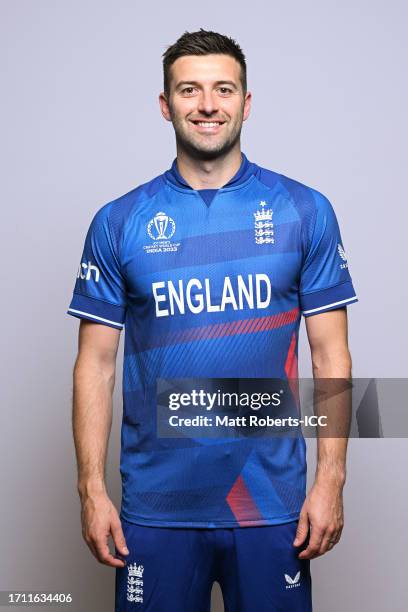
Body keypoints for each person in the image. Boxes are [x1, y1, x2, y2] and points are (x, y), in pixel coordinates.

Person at [67, 29, 358, 612]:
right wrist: (92, 490)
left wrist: (330, 481)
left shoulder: (304, 211)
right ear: (165, 104)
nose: (207, 105)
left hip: (271, 506)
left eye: (223, 89)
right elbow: (96, 366)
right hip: (155, 510)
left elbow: (331, 358)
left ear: (246, 103)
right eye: (189, 90)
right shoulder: (119, 222)